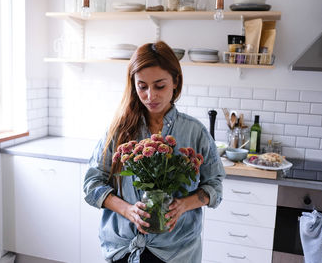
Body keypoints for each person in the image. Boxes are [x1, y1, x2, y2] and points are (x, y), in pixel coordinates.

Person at [84, 41, 225, 263]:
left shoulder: (195, 132)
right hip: (124, 249)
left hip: (177, 253)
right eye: (142, 86)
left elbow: (215, 186)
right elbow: (92, 185)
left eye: (159, 86)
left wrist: (183, 205)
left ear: (175, 82)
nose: (150, 96)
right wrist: (127, 210)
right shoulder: (119, 130)